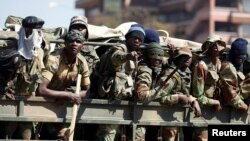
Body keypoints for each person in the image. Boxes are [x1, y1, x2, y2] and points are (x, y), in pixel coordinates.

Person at [95, 23, 145, 141]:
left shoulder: (138, 51)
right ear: (128, 38)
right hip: (111, 99)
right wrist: (127, 56)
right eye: (134, 37)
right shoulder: (120, 47)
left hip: (124, 99)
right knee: (108, 134)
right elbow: (116, 58)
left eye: (139, 39)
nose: (137, 40)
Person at [38, 29, 90, 140]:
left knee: (64, 135)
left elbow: (88, 91)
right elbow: (41, 90)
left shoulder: (81, 61)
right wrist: (68, 95)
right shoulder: (54, 59)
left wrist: (73, 95)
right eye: (71, 41)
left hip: (60, 103)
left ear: (83, 45)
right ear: (65, 43)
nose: (74, 44)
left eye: (78, 41)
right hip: (41, 101)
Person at [4, 16, 46, 140]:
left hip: (29, 98)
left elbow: (43, 74)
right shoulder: (12, 47)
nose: (32, 33)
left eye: (34, 30)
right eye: (29, 30)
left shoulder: (40, 51)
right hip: (11, 98)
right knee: (7, 131)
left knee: (26, 134)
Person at [191, 34, 226, 141]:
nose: (216, 46)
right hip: (203, 111)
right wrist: (216, 102)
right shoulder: (202, 65)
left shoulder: (221, 64)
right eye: (213, 44)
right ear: (207, 47)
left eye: (219, 44)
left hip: (217, 113)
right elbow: (199, 97)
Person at [218, 38, 248, 111]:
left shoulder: (237, 66)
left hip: (238, 96)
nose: (241, 58)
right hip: (230, 102)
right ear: (233, 55)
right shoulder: (228, 67)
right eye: (238, 55)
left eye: (243, 54)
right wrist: (244, 106)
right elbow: (230, 94)